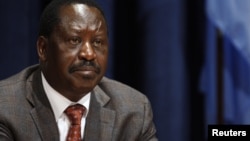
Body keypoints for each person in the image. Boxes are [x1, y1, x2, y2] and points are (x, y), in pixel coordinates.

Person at [0, 0, 158, 140]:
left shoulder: (133, 110)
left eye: (97, 42)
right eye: (74, 40)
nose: (89, 54)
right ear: (43, 49)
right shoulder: (6, 106)